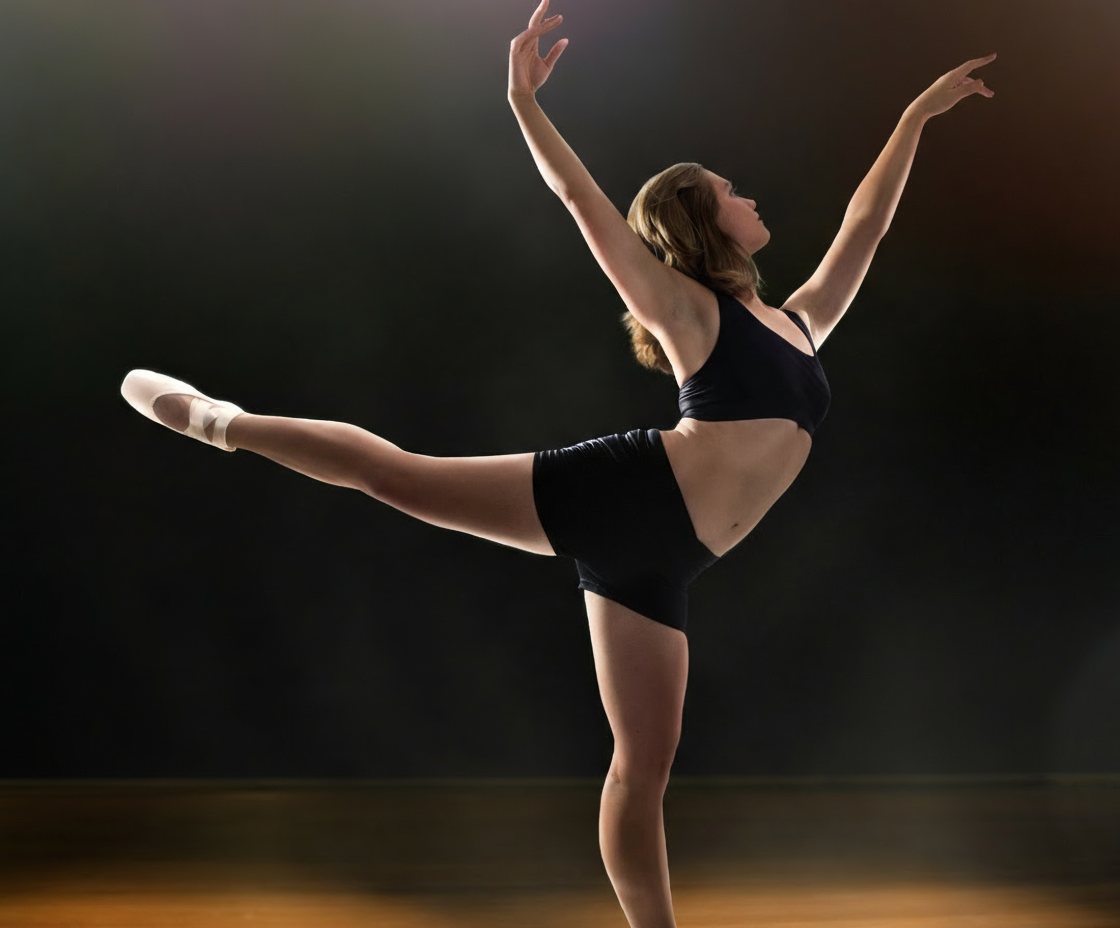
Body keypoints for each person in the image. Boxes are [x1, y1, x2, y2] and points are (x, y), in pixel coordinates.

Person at [120, 3, 994, 925]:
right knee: (403, 476)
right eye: (734, 192)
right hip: (627, 490)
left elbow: (866, 227)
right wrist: (525, 105)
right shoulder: (692, 313)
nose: (754, 199)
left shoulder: (803, 324)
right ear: (706, 222)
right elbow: (588, 207)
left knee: (643, 762)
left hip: (666, 561)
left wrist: (915, 118)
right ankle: (220, 421)